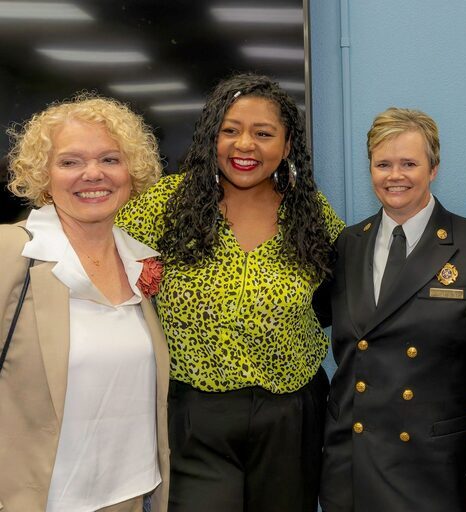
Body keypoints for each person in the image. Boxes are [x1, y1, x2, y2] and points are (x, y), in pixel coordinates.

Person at [115, 73, 343, 512]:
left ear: (288, 145)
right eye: (230, 130)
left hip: (291, 415)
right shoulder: (165, 204)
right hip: (194, 415)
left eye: (263, 133)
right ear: (210, 136)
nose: (245, 146)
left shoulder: (312, 216)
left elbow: (333, 302)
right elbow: (103, 260)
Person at [320, 107, 466, 512]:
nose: (395, 176)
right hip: (353, 466)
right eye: (383, 164)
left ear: (433, 169)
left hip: (434, 471)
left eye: (409, 163)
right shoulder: (348, 244)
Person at [0, 94, 169, 512]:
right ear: (44, 175)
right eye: (70, 162)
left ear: (132, 172)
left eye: (110, 160)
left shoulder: (139, 262)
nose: (93, 174)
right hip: (41, 499)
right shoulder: (10, 252)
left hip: (133, 495)